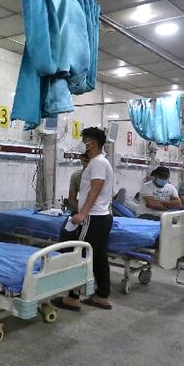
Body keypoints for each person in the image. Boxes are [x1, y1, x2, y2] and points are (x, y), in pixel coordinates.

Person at [51, 127, 114, 311]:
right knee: (99, 257)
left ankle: (73, 297)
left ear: (91, 142)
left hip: (93, 217)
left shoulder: (96, 163)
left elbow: (96, 189)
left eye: (84, 139)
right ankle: (102, 295)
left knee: (79, 255)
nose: (82, 143)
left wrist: (82, 213)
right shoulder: (101, 162)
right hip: (102, 217)